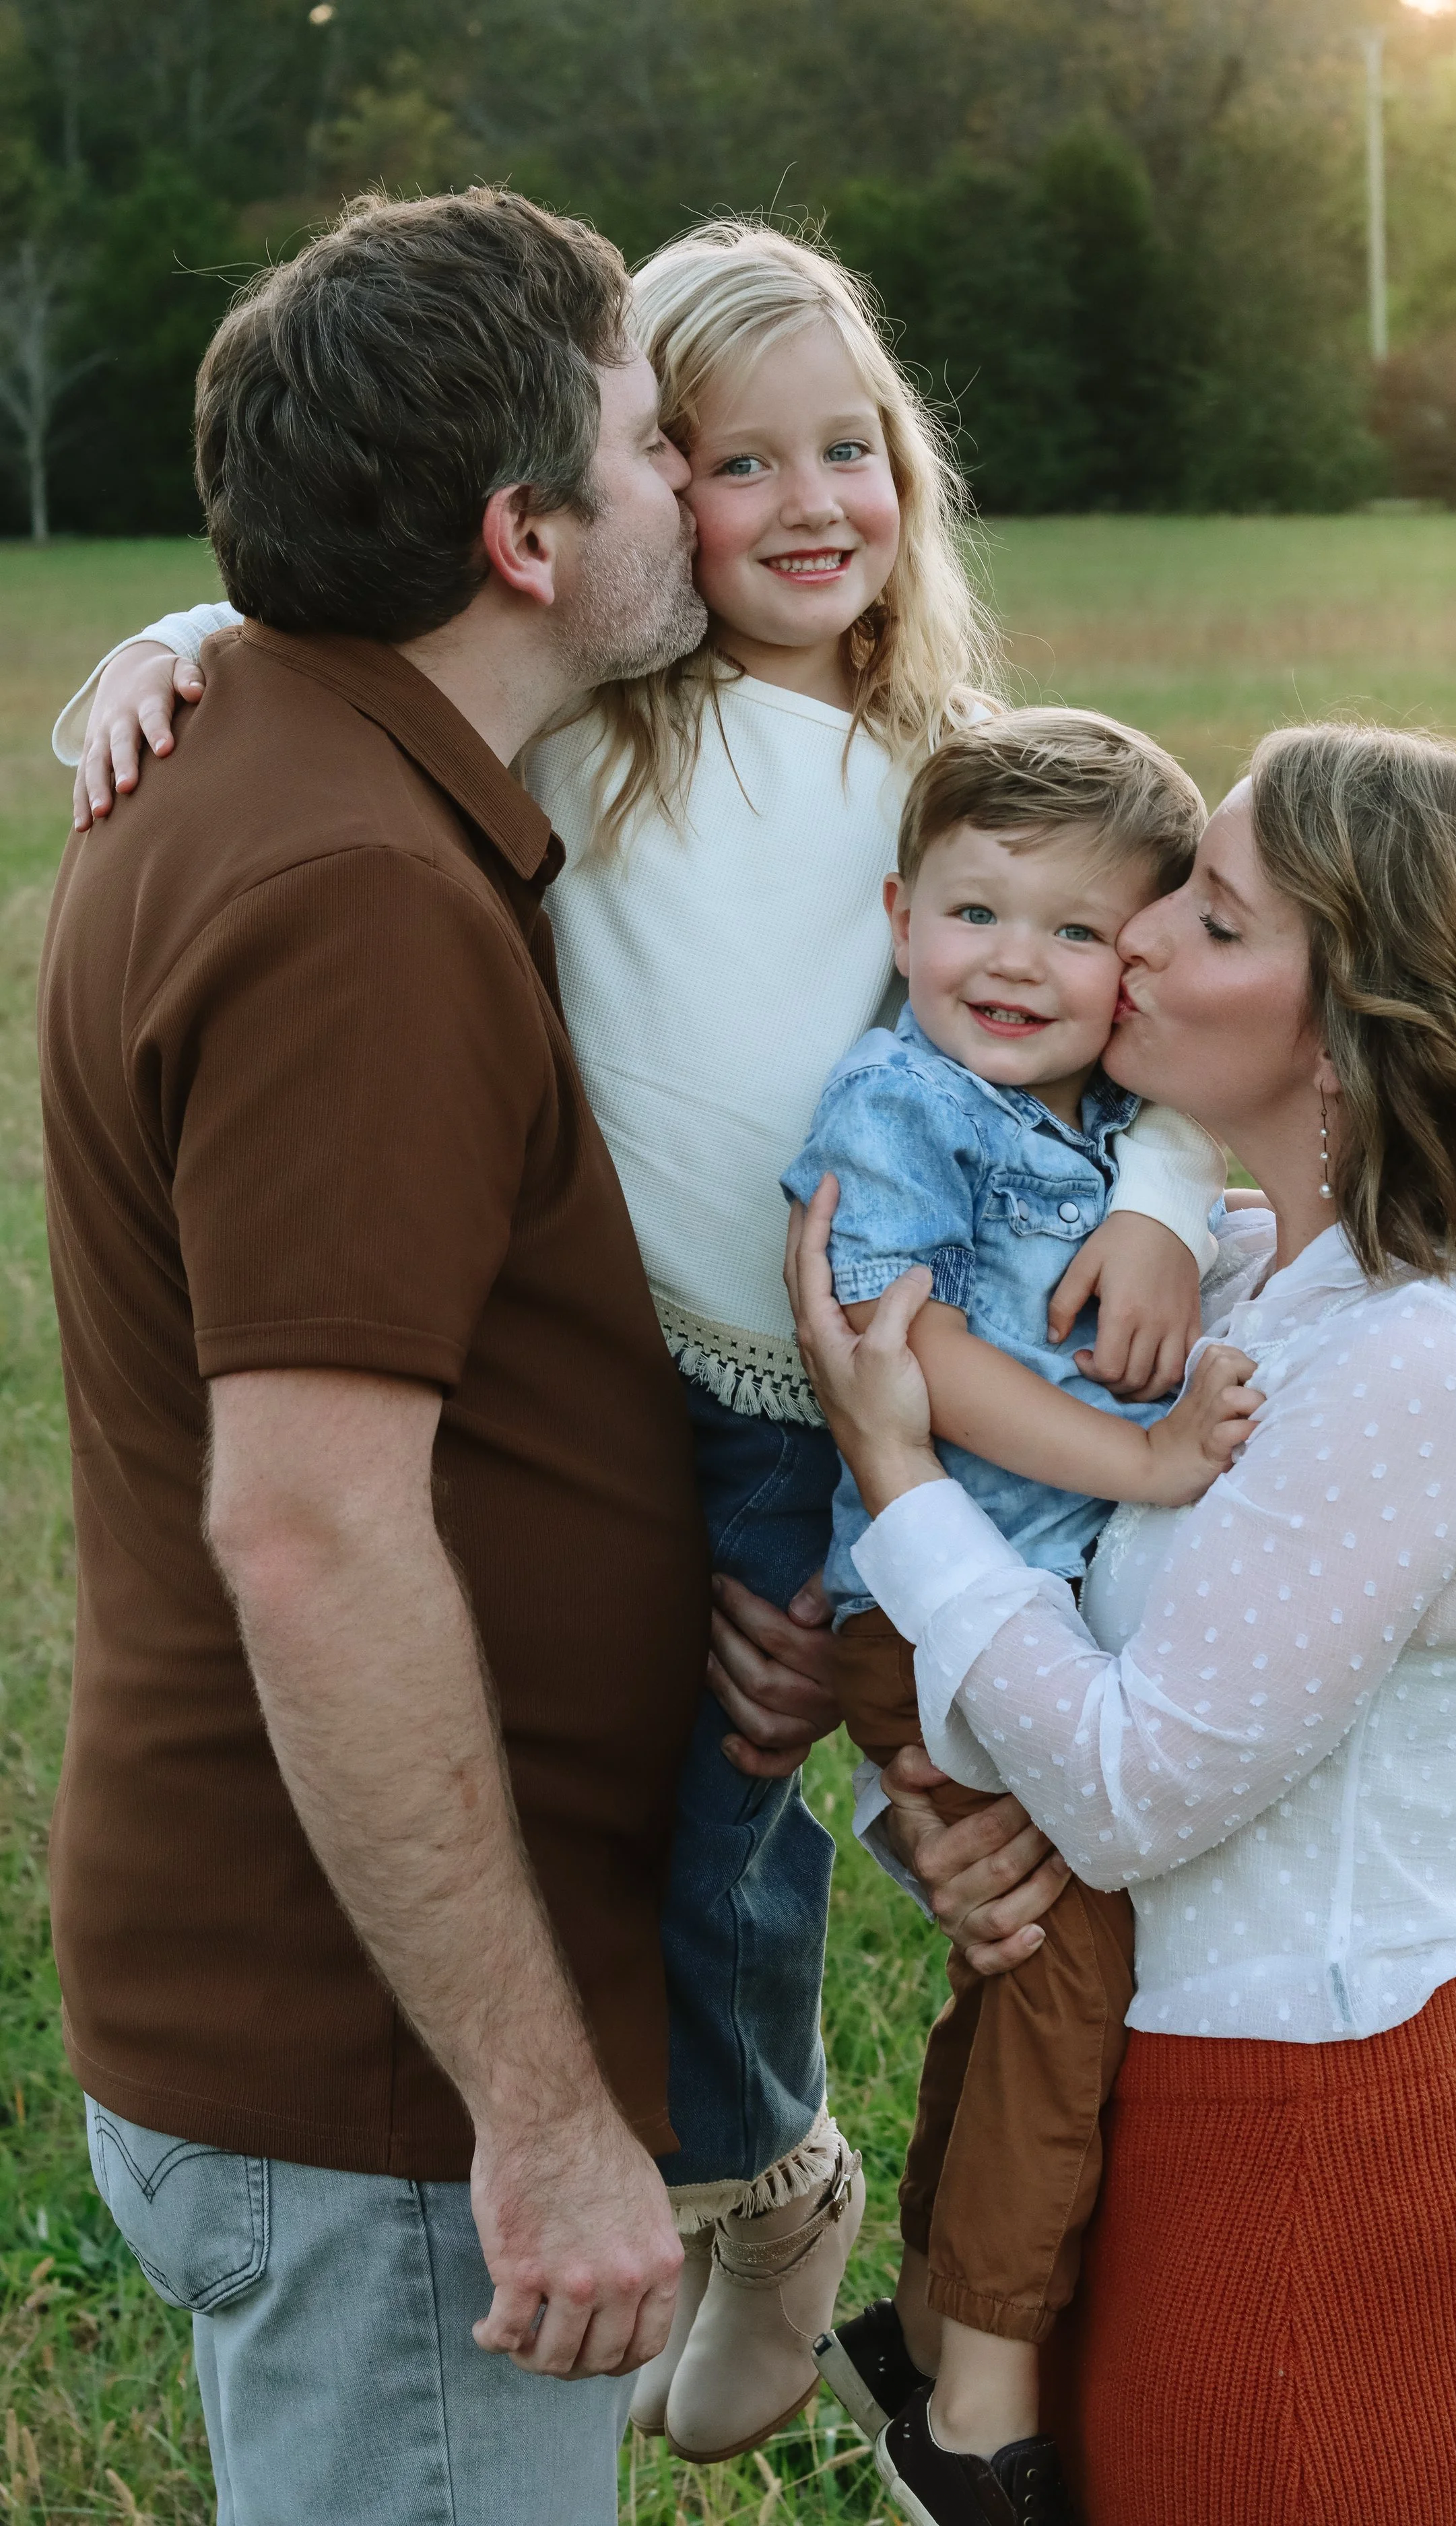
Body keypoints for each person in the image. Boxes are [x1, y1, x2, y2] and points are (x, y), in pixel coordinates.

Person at [56, 222, 1220, 2462]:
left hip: (835, 1394)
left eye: (838, 449)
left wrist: (1163, 1193)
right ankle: (774, 2176)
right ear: (555, 526)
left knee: (775, 1779)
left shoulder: (930, 782)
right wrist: (167, 638)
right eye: (686, 450)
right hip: (621, 1417)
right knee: (722, 1791)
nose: (759, 500)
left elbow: (1138, 995)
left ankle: (810, 2156)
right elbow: (334, 626)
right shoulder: (535, 764)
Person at [38, 188, 725, 2526]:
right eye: (648, 443)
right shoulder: (353, 888)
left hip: (340, 2023)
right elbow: (313, 1534)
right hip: (383, 2083)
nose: (690, 484)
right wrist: (531, 2113)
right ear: (524, 536)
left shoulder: (274, 741)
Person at [790, 723, 1456, 2526]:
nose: (1136, 935)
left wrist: (893, 1471)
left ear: (1357, 1029)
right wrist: (934, 1819)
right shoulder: (1237, 1280)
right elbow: (1062, 1648)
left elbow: (1130, 1786)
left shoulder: (1424, 1367)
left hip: (1315, 2221)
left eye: (1212, 920)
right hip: (1146, 2150)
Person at [780, 708, 1254, 2526]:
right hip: (925, 1604)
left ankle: (915, 2320)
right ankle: (977, 2406)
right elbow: (905, 1353)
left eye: (1075, 932)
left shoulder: (1119, 1114)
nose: (1014, 964)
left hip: (1026, 1602)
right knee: (1067, 1972)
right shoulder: (897, 1103)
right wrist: (1139, 1464)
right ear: (900, 916)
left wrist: (1166, 1198)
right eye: (975, 913)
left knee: (1021, 1967)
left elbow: (1213, 1122)